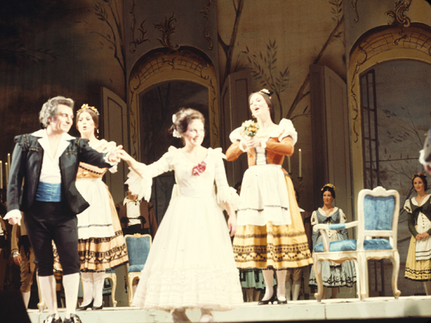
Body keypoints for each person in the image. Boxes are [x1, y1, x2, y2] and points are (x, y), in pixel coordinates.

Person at [117, 108, 243, 322]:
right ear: (183, 132)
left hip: (208, 212)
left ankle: (206, 309)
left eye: (201, 130)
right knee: (182, 257)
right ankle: (179, 309)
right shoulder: (174, 155)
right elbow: (148, 171)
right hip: (182, 211)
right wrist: (127, 158)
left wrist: (232, 214)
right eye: (192, 130)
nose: (197, 134)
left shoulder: (213, 156)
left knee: (205, 256)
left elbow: (222, 188)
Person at [4, 96, 120, 323]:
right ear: (49, 117)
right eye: (64, 115)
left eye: (70, 115)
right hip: (36, 212)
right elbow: (14, 178)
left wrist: (108, 157)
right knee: (44, 263)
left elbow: (97, 158)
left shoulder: (74, 144)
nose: (69, 120)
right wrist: (14, 207)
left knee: (71, 261)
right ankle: (52, 314)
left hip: (65, 211)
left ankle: (70, 313)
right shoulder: (27, 142)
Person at [226, 89, 313, 305]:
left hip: (275, 180)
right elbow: (229, 156)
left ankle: (281, 290)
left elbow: (289, 149)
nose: (254, 104)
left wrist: (264, 143)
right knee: (262, 235)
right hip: (254, 183)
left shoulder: (281, 127)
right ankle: (268, 290)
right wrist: (244, 144)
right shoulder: (247, 130)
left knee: (278, 234)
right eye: (251, 102)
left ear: (267, 105)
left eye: (258, 101)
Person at [74, 104, 128, 311]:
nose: (83, 123)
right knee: (81, 249)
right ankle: (86, 298)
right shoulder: (72, 145)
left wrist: (77, 163)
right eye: (80, 120)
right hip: (77, 193)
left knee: (97, 246)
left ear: (95, 124)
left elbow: (99, 169)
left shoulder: (105, 146)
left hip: (95, 194)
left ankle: (98, 299)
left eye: (87, 119)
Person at [308, 184, 356, 299]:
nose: (327, 198)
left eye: (329, 195)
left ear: (332, 197)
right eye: (324, 195)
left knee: (336, 267)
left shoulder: (338, 211)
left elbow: (344, 231)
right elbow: (315, 234)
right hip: (322, 241)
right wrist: (314, 249)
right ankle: (323, 294)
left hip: (336, 240)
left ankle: (334, 296)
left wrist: (346, 246)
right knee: (323, 266)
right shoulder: (316, 213)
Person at [404, 173, 431, 294]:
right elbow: (410, 223)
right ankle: (428, 296)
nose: (418, 185)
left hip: (430, 233)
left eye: (420, 182)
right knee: (425, 267)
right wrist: (416, 234)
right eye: (415, 183)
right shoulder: (410, 202)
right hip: (419, 236)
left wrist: (428, 232)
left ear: (424, 183)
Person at [10, 213, 36, 309]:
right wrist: (15, 251)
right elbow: (15, 234)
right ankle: (24, 308)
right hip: (27, 248)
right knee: (26, 278)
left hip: (42, 246)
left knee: (44, 276)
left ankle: (46, 305)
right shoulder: (20, 213)